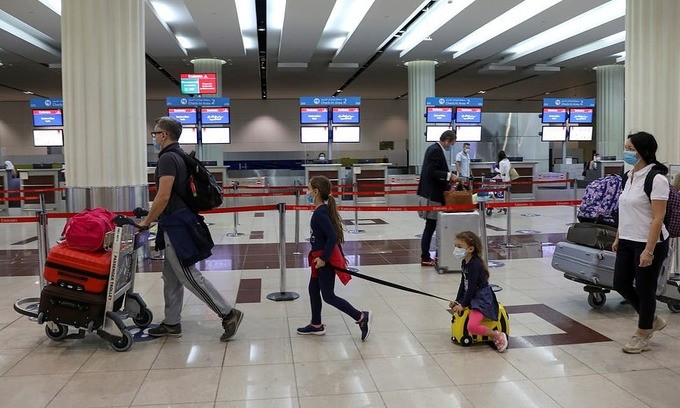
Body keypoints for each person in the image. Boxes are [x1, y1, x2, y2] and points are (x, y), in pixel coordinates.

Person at [140, 116, 243, 341]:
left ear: (164, 135)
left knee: (188, 275)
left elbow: (163, 195)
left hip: (177, 226)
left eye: (155, 133)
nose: (154, 137)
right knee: (171, 277)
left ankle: (228, 313)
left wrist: (147, 221)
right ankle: (171, 322)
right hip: (179, 221)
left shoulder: (167, 159)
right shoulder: (180, 156)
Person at [613, 131, 670, 354]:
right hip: (627, 239)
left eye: (630, 149)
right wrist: (618, 236)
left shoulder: (656, 179)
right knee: (620, 283)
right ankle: (651, 318)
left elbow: (658, 218)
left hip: (649, 242)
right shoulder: (629, 176)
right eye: (626, 147)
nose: (626, 152)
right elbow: (625, 208)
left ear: (643, 151)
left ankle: (643, 333)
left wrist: (648, 250)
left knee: (646, 289)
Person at [296, 176, 371, 341]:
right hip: (319, 259)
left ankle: (361, 317)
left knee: (328, 295)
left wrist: (323, 258)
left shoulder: (320, 213)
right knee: (313, 289)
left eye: (308, 189)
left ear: (316, 192)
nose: (306, 193)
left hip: (324, 260)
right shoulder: (321, 211)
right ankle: (316, 325)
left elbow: (332, 236)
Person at [449, 231, 508, 352]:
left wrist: (463, 304)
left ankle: (496, 334)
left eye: (459, 247)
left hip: (481, 299)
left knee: (472, 326)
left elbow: (471, 288)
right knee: (469, 321)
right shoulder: (465, 262)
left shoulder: (475, 265)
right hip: (473, 296)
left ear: (470, 249)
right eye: (456, 246)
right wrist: (458, 301)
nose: (456, 249)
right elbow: (463, 284)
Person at [417, 130, 459, 266]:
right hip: (433, 195)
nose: (451, 146)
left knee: (432, 226)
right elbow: (432, 172)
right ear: (447, 140)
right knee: (430, 226)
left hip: (432, 193)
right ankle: (425, 257)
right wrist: (449, 176)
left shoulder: (433, 149)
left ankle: (432, 255)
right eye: (452, 143)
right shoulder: (435, 150)